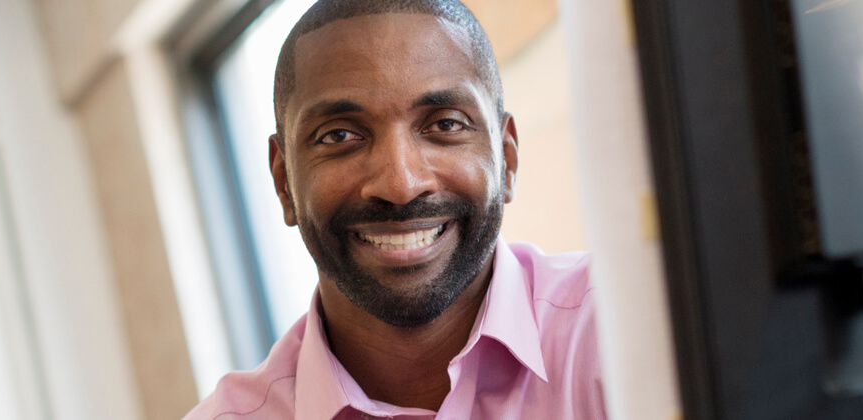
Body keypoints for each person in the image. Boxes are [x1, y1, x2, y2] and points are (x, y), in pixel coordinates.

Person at [185, 0, 603, 418]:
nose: (401, 184)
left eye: (445, 124)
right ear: (284, 183)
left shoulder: (624, 328)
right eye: (339, 135)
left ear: (507, 160)